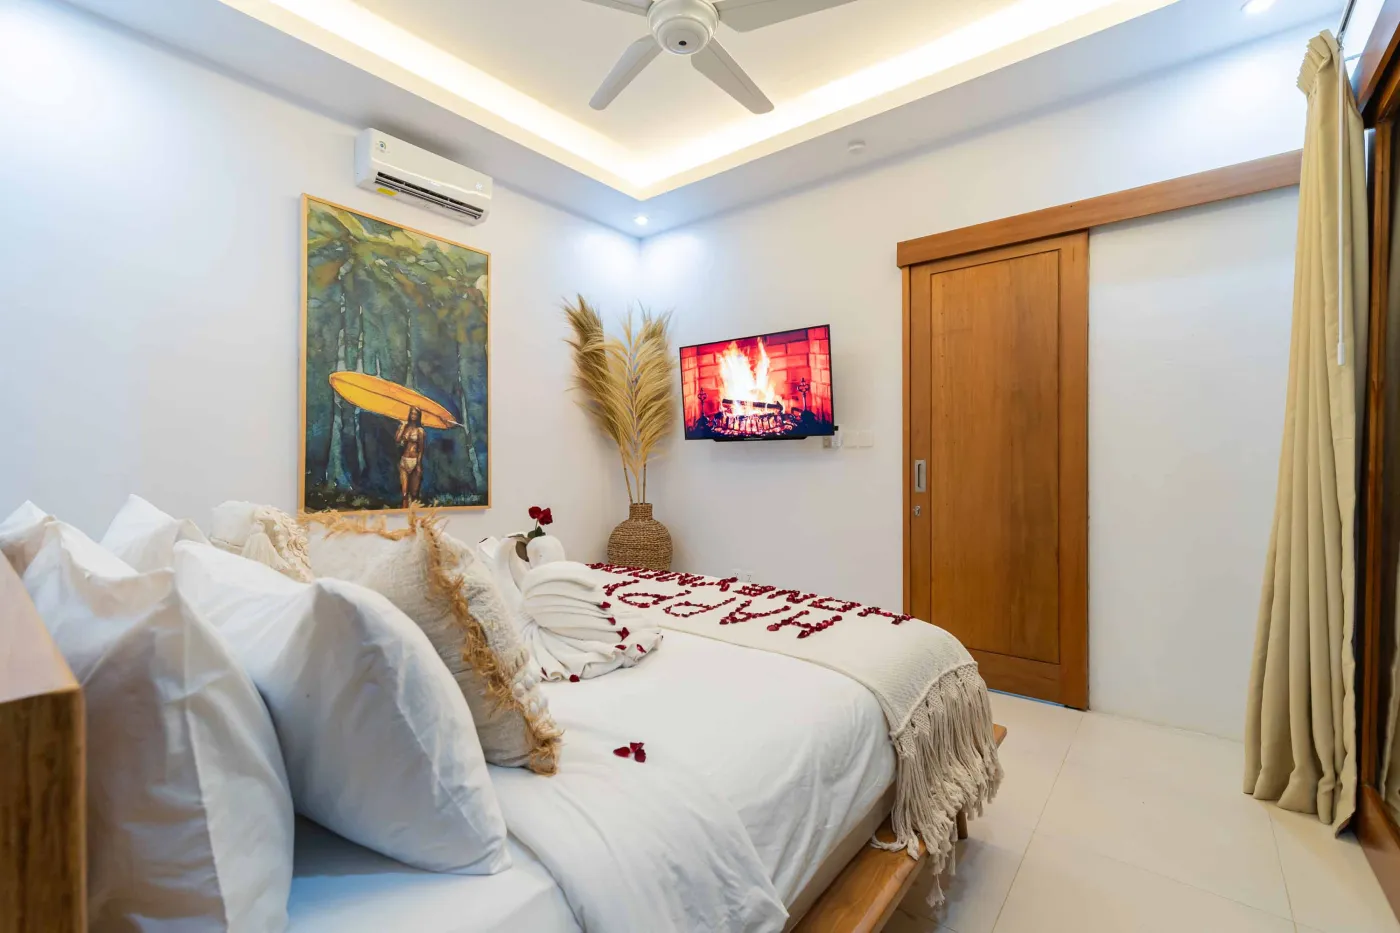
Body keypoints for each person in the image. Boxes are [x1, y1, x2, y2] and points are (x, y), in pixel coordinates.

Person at [395, 407, 425, 508]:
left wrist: (419, 465)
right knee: (404, 493)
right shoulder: (404, 427)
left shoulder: (420, 431)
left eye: (415, 414)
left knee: (414, 494)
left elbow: (421, 449)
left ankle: (413, 515)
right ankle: (404, 513)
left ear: (418, 416)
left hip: (414, 461)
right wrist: (403, 426)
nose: (413, 416)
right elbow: (397, 440)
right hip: (404, 460)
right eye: (412, 414)